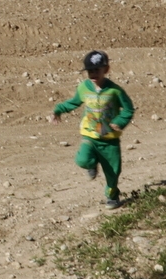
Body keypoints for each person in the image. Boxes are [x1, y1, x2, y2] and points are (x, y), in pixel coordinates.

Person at [49, 50, 134, 209]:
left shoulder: (115, 91)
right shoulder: (84, 88)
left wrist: (120, 121)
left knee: (113, 173)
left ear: (106, 69)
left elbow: (129, 109)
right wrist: (58, 110)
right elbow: (74, 102)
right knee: (82, 159)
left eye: (97, 70)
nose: (93, 73)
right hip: (90, 135)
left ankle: (112, 195)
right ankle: (92, 165)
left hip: (110, 140)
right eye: (90, 71)